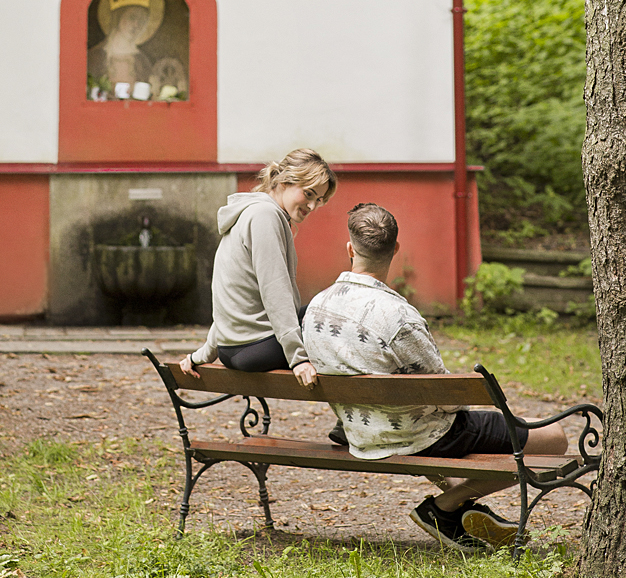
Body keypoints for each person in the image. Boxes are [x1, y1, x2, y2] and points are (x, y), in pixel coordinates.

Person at [303, 203, 568, 553]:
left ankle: (456, 511)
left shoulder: (316, 308)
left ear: (350, 249)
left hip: (359, 432)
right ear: (395, 249)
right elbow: (447, 397)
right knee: (555, 438)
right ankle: (443, 506)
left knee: (429, 421)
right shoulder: (398, 316)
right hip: (420, 436)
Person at [180, 149, 336, 388]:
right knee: (335, 316)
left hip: (234, 349)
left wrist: (204, 354)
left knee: (326, 309)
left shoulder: (251, 213)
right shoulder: (265, 216)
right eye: (308, 194)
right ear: (284, 181)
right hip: (257, 348)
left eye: (319, 200)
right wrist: (298, 359)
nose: (313, 205)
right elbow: (275, 291)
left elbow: (233, 295)